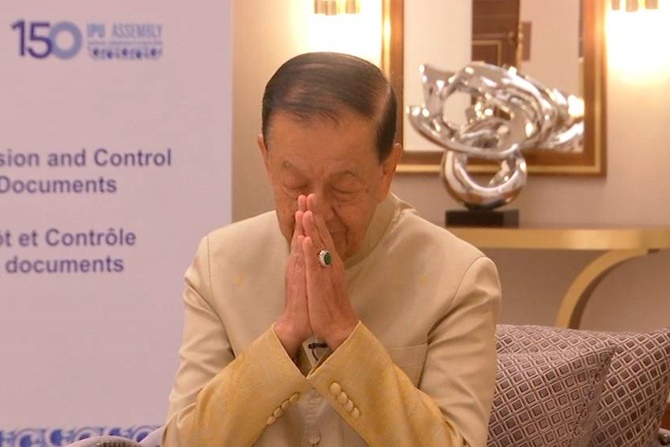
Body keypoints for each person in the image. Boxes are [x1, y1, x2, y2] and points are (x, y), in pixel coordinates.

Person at [162, 52, 501, 447]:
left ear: (387, 170)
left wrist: (344, 332)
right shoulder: (219, 263)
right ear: (267, 160)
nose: (317, 210)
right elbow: (182, 442)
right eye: (295, 183)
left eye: (343, 186)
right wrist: (285, 335)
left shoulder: (458, 277)